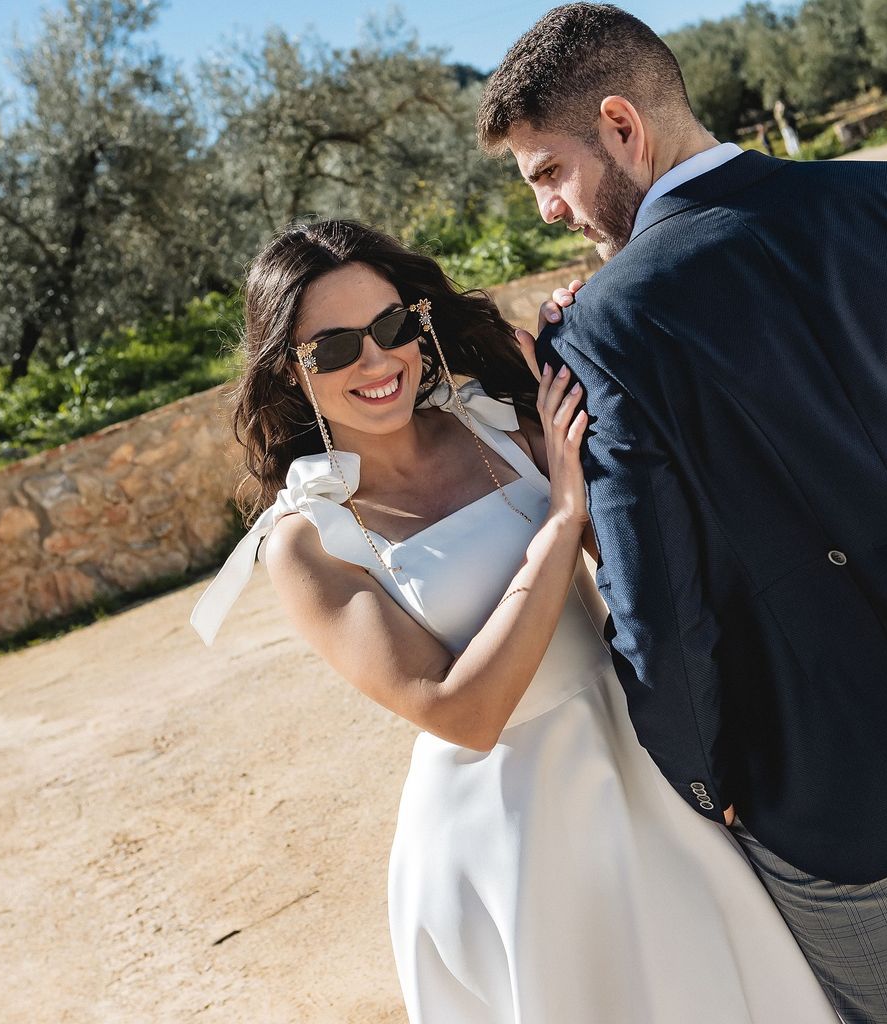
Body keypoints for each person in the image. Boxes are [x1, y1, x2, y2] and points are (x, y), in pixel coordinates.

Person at [189, 220, 836, 1023]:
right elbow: (462, 711)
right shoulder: (309, 540)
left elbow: (651, 567)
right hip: (511, 840)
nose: (377, 360)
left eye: (393, 327)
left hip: (647, 758)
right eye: (334, 348)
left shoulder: (498, 419)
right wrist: (559, 520)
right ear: (290, 372)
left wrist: (589, 347)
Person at [478, 4, 887, 1023]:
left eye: (546, 174)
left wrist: (702, 781)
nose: (548, 212)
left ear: (621, 126)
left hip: (818, 780)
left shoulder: (604, 327)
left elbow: (655, 596)